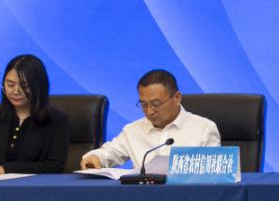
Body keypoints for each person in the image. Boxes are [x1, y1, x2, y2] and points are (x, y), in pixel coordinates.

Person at [80, 69, 220, 170]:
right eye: (143, 105)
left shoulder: (204, 129)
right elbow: (108, 153)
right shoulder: (133, 130)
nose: (149, 111)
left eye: (156, 104)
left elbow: (214, 174)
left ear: (177, 98)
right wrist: (95, 157)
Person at [0, 54, 69, 175]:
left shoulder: (57, 120)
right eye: (10, 84)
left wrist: (5, 169)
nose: (16, 91)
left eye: (24, 86)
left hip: (34, 185)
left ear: (39, 87)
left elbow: (55, 166)